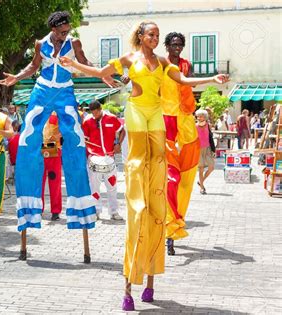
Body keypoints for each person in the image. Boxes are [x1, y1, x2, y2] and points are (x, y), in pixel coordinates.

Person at [60, 20, 229, 311]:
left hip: (156, 115)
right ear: (141, 36)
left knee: (157, 184)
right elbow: (101, 72)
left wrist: (212, 80)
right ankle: (129, 284)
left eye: (157, 35)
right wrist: (73, 65)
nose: (155, 38)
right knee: (139, 180)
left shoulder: (163, 62)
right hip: (137, 113)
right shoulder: (130, 59)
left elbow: (183, 81)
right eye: (151, 35)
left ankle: (150, 277)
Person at [0, 11, 115, 232]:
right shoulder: (40, 44)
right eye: (62, 31)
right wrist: (17, 77)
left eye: (67, 30)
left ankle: (80, 203)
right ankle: (29, 205)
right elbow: (33, 67)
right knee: (27, 138)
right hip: (42, 91)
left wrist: (102, 74)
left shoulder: (74, 42)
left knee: (75, 139)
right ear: (53, 29)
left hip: (64, 92)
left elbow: (84, 63)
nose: (66, 34)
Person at [160, 32, 201, 256]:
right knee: (171, 180)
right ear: (166, 46)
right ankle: (169, 228)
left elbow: (188, 86)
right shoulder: (159, 63)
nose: (177, 47)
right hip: (166, 121)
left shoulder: (187, 65)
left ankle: (177, 221)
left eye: (180, 44)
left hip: (185, 121)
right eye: (174, 44)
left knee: (186, 181)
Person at [82, 100, 124, 221]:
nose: (95, 115)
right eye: (93, 113)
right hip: (94, 158)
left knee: (112, 187)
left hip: (109, 158)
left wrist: (118, 144)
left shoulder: (111, 118)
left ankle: (114, 212)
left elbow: (122, 131)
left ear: (100, 109)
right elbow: (85, 139)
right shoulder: (88, 121)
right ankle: (96, 212)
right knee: (94, 188)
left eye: (96, 113)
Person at [41, 112, 63, 221]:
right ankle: (38, 209)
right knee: (39, 181)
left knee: (54, 180)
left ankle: (55, 211)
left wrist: (57, 136)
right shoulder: (38, 110)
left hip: (53, 148)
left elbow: (66, 128)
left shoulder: (56, 111)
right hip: (40, 149)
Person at [196, 109, 216, 194]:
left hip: (207, 148)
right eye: (198, 116)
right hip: (198, 149)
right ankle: (202, 188)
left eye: (201, 116)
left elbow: (210, 137)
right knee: (201, 169)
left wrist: (213, 149)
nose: (200, 118)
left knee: (211, 167)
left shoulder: (208, 125)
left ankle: (201, 182)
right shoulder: (195, 126)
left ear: (205, 117)